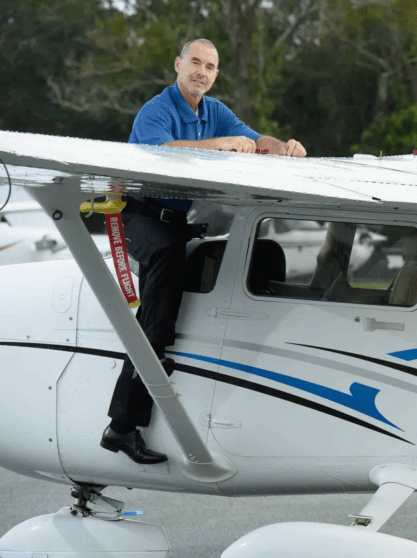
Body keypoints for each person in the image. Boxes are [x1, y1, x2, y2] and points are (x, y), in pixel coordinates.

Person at [100, 38, 307, 465]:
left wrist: (284, 147)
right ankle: (121, 426)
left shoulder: (215, 112)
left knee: (263, 253)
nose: (201, 71)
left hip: (177, 222)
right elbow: (159, 154)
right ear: (177, 64)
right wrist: (222, 145)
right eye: (194, 62)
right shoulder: (156, 110)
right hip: (134, 213)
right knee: (164, 275)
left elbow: (254, 141)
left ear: (215, 75)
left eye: (210, 67)